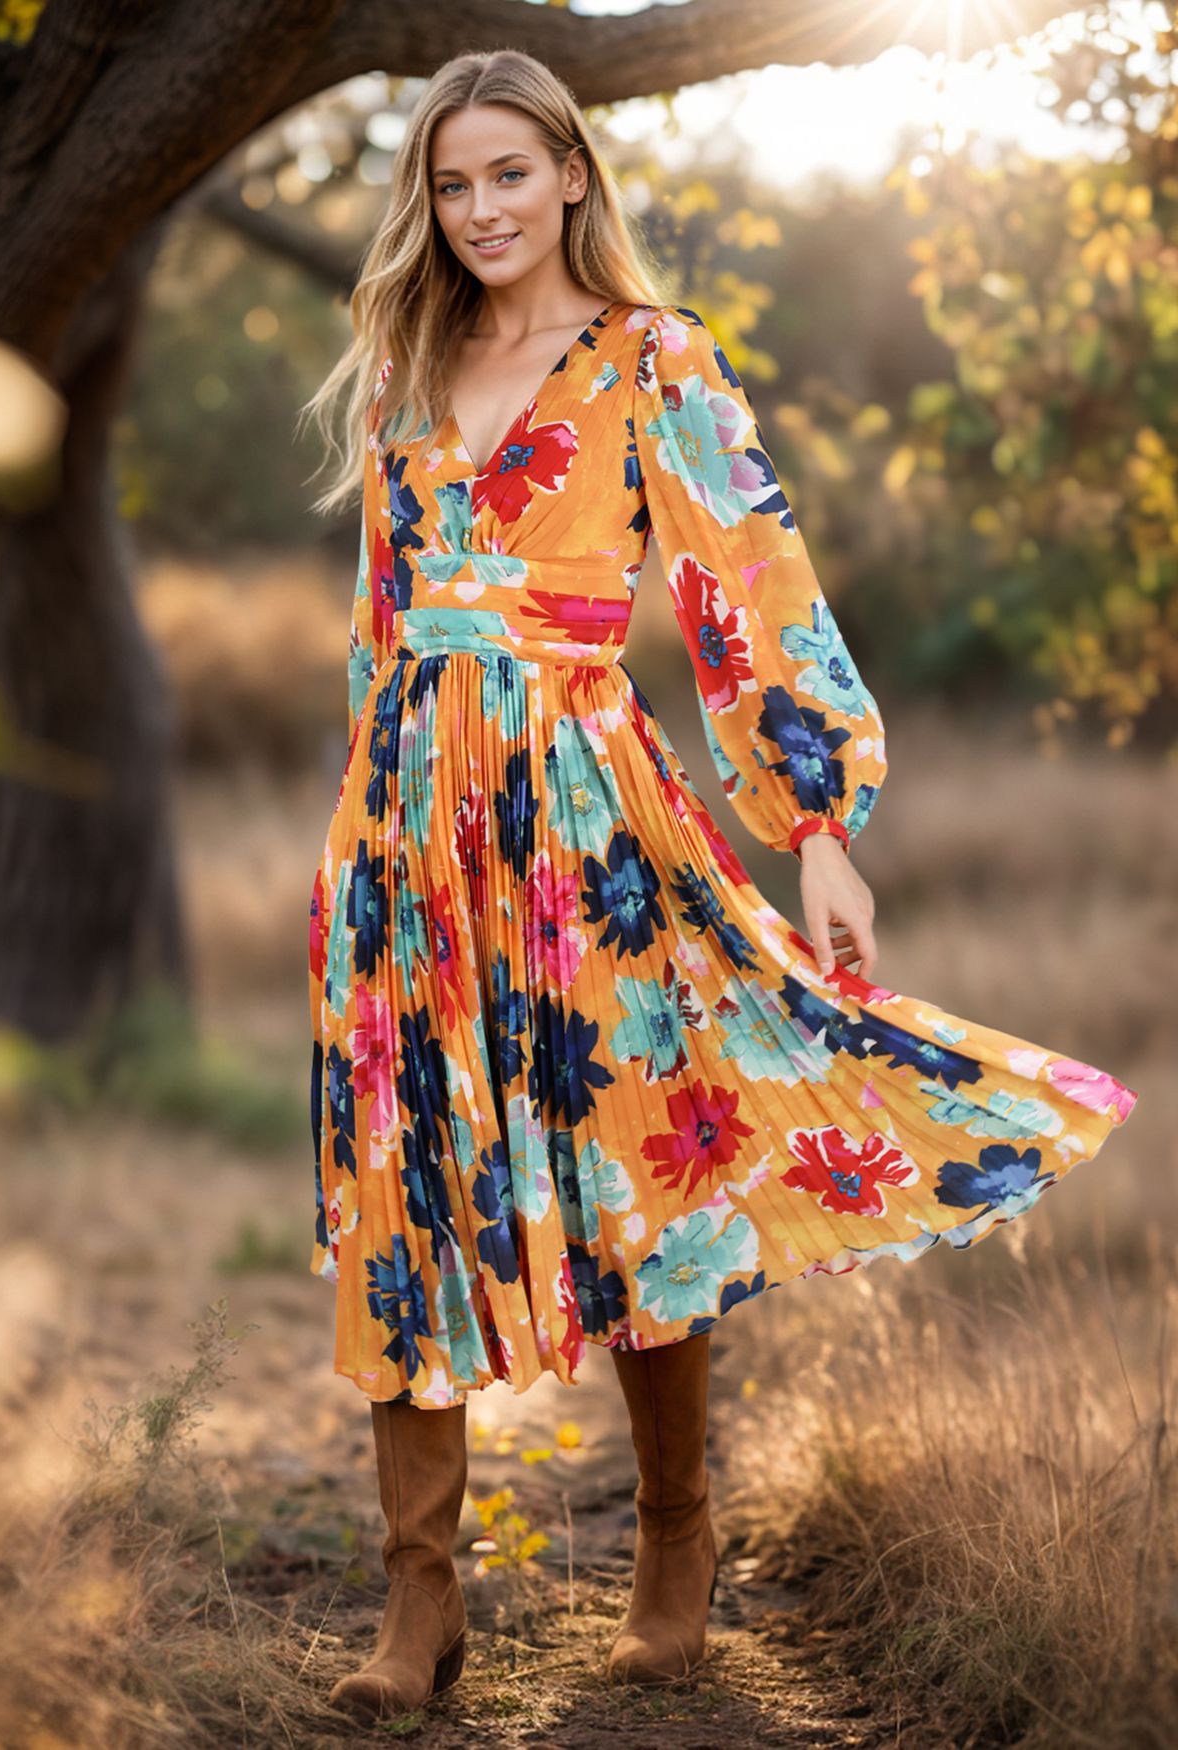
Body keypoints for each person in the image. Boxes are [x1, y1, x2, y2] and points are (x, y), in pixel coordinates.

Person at [297, 46, 1139, 1722]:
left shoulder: (651, 359)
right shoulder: (396, 360)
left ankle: (674, 1545)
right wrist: (365, 841)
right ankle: (420, 1609)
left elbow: (752, 583)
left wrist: (817, 825)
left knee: (634, 1173)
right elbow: (379, 625)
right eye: (450, 185)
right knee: (409, 1186)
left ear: (574, 178)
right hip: (406, 830)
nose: (478, 213)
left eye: (509, 177)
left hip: (586, 828)